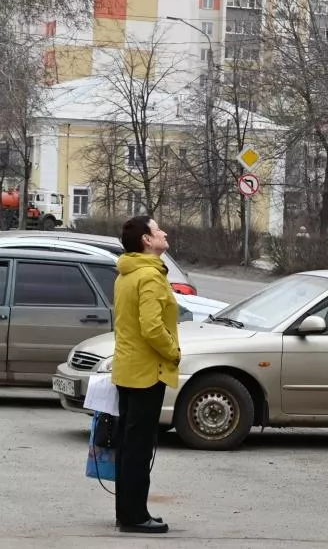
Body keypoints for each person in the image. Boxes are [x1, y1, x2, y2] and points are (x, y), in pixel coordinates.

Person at [111, 216, 180, 533]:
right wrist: (173, 352)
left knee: (128, 444)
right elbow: (152, 327)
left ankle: (126, 511)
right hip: (147, 373)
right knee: (139, 447)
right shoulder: (150, 276)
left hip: (128, 369)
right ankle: (135, 516)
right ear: (146, 241)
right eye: (157, 230)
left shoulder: (127, 273)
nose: (164, 232)